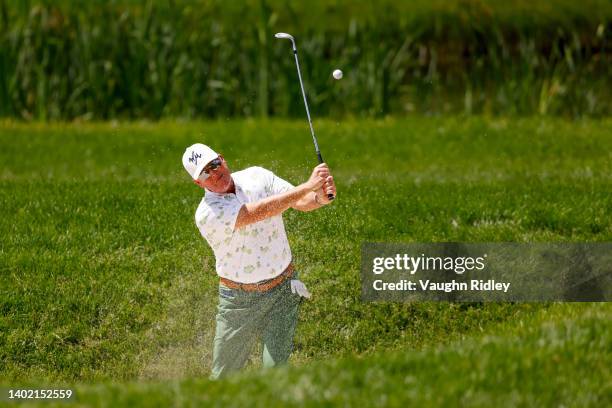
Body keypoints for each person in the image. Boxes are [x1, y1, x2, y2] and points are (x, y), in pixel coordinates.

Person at [182, 143, 336, 379]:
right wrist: (307, 186)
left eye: (214, 164)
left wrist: (319, 197)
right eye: (205, 173)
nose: (214, 173)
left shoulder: (257, 176)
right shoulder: (206, 213)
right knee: (223, 377)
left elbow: (300, 202)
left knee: (275, 374)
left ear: (223, 159)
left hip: (283, 290)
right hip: (238, 302)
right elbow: (254, 213)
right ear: (198, 183)